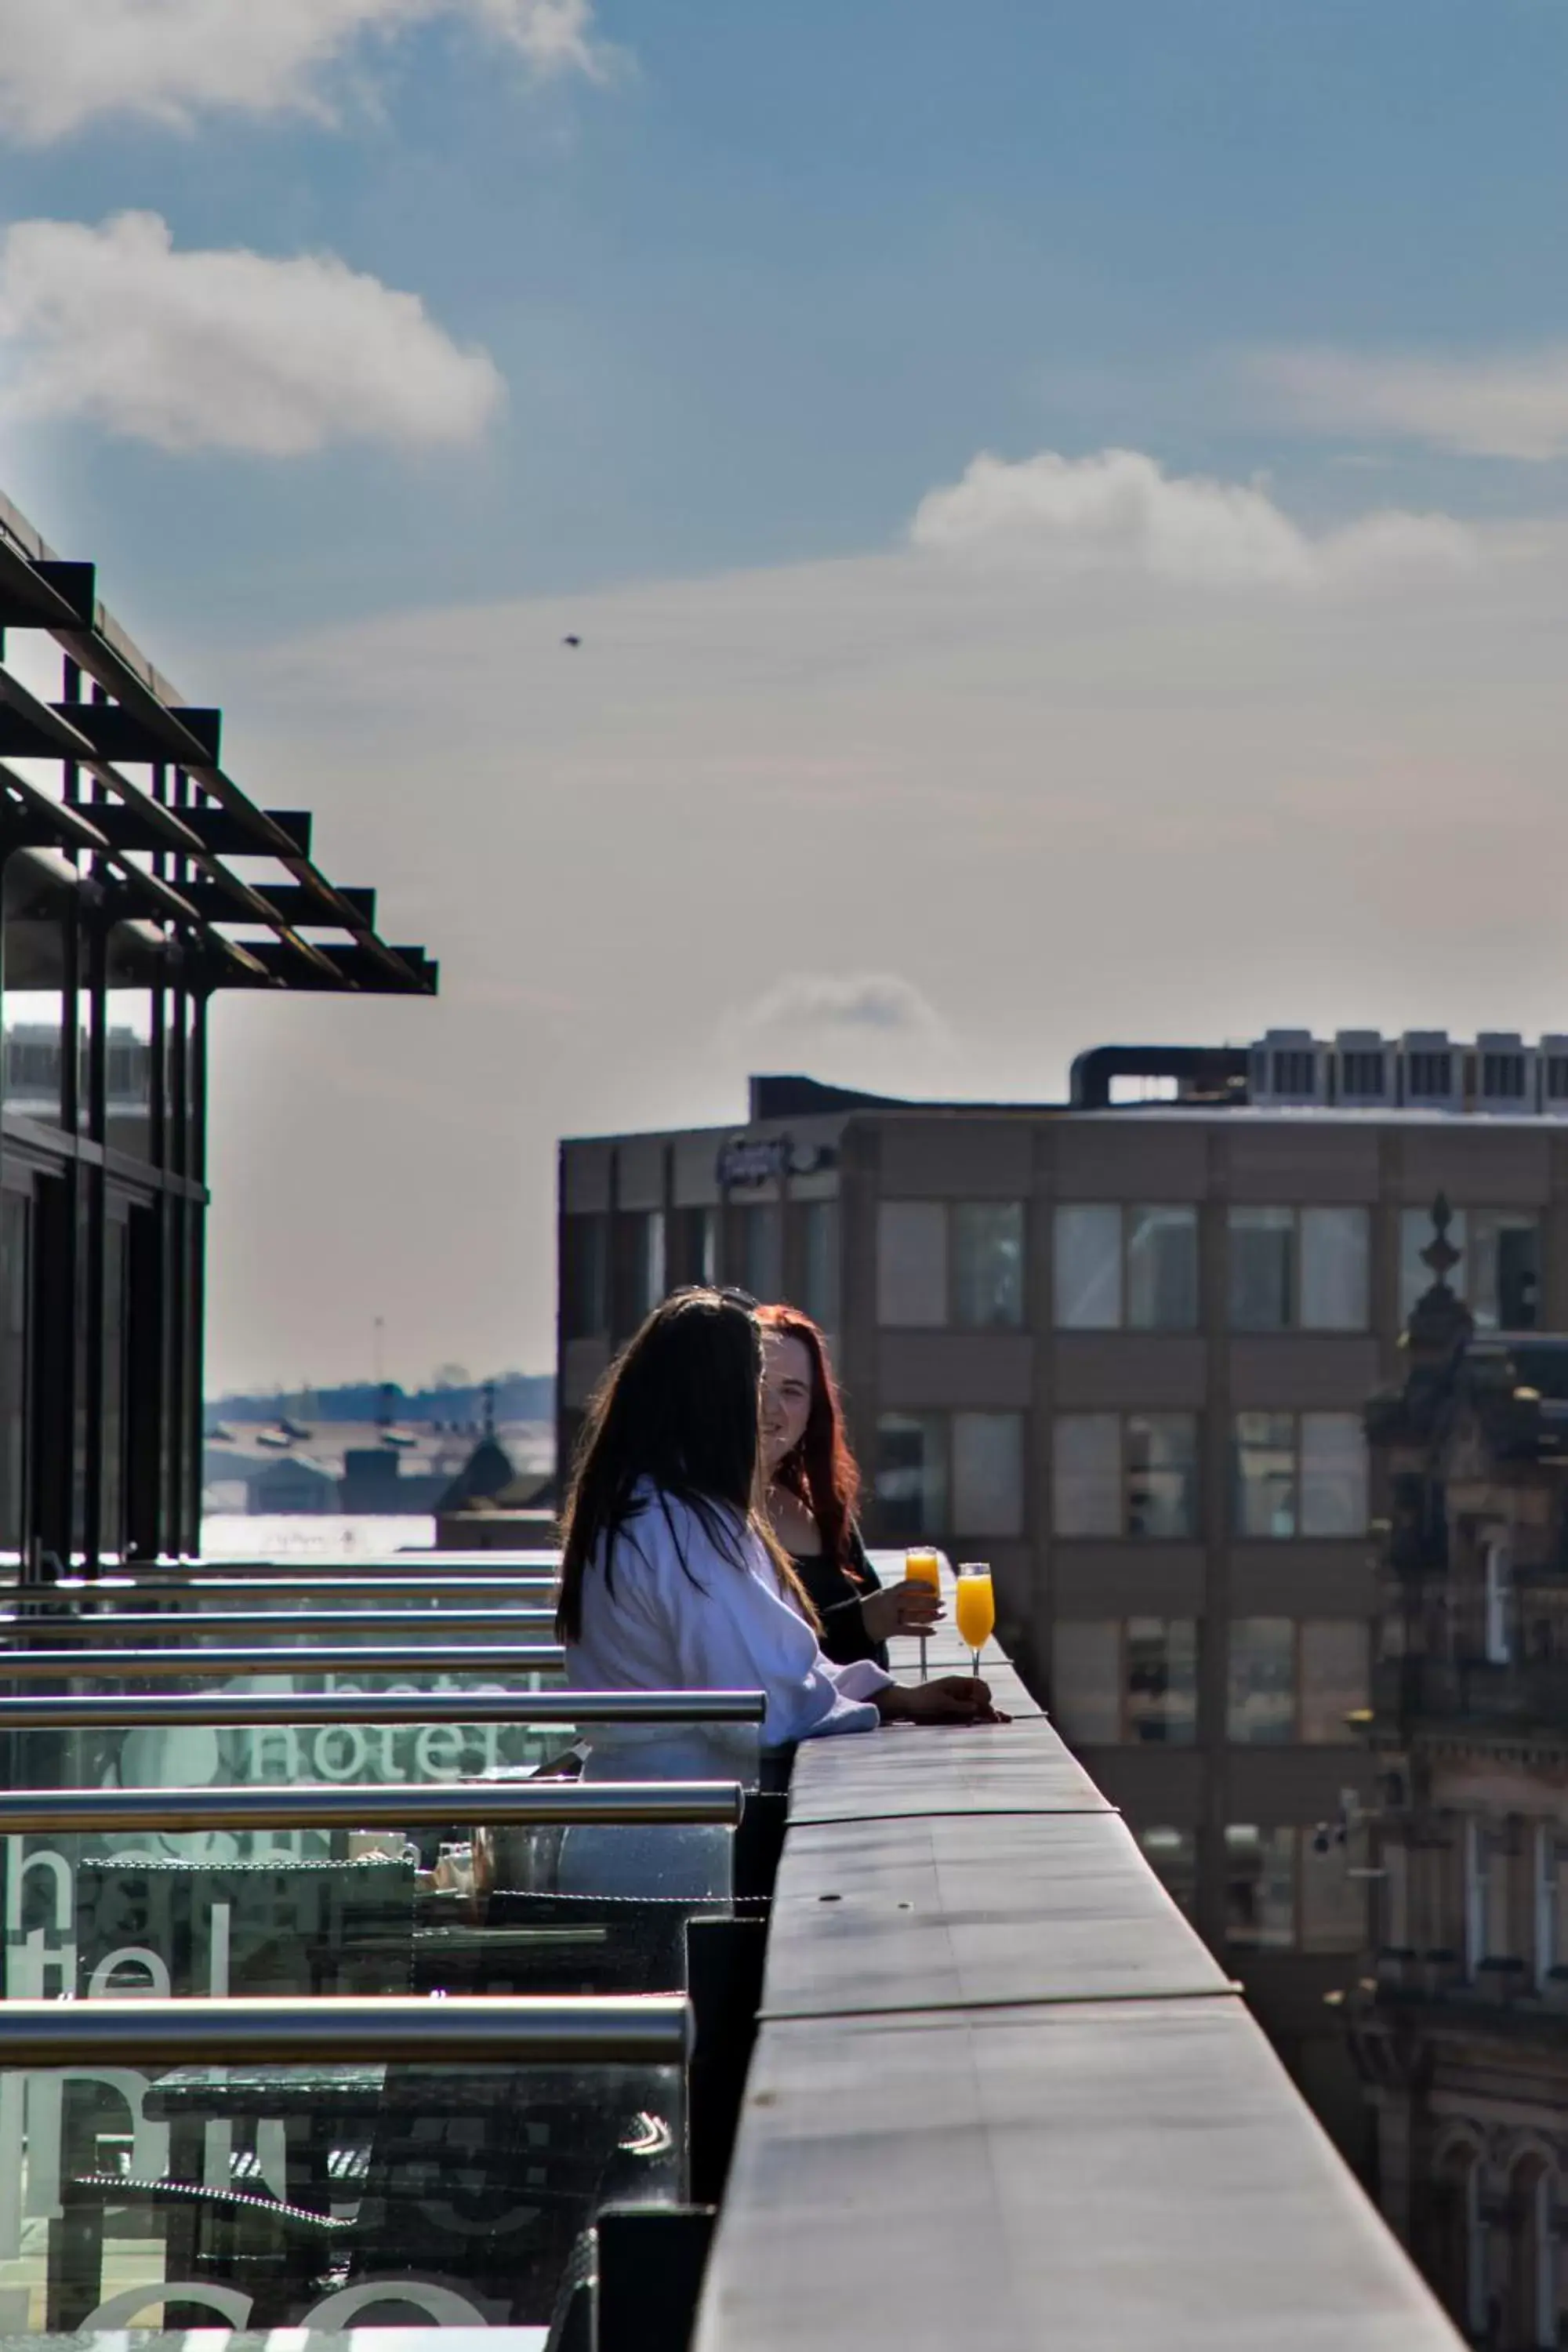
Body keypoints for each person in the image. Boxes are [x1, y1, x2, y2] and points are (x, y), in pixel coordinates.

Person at [554, 1289, 1000, 1893]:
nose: (763, 1408)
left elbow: (770, 1667)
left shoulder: (637, 1503)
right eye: (755, 1382)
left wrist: (896, 1697)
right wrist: (879, 1705)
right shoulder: (687, 1527)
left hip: (631, 1827)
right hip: (670, 1849)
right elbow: (759, 1699)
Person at [757, 1302, 938, 1668]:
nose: (770, 1407)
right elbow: (752, 1657)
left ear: (813, 1409)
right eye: (758, 1385)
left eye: (792, 1391)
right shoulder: (707, 1514)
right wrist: (865, 1621)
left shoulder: (820, 1505)